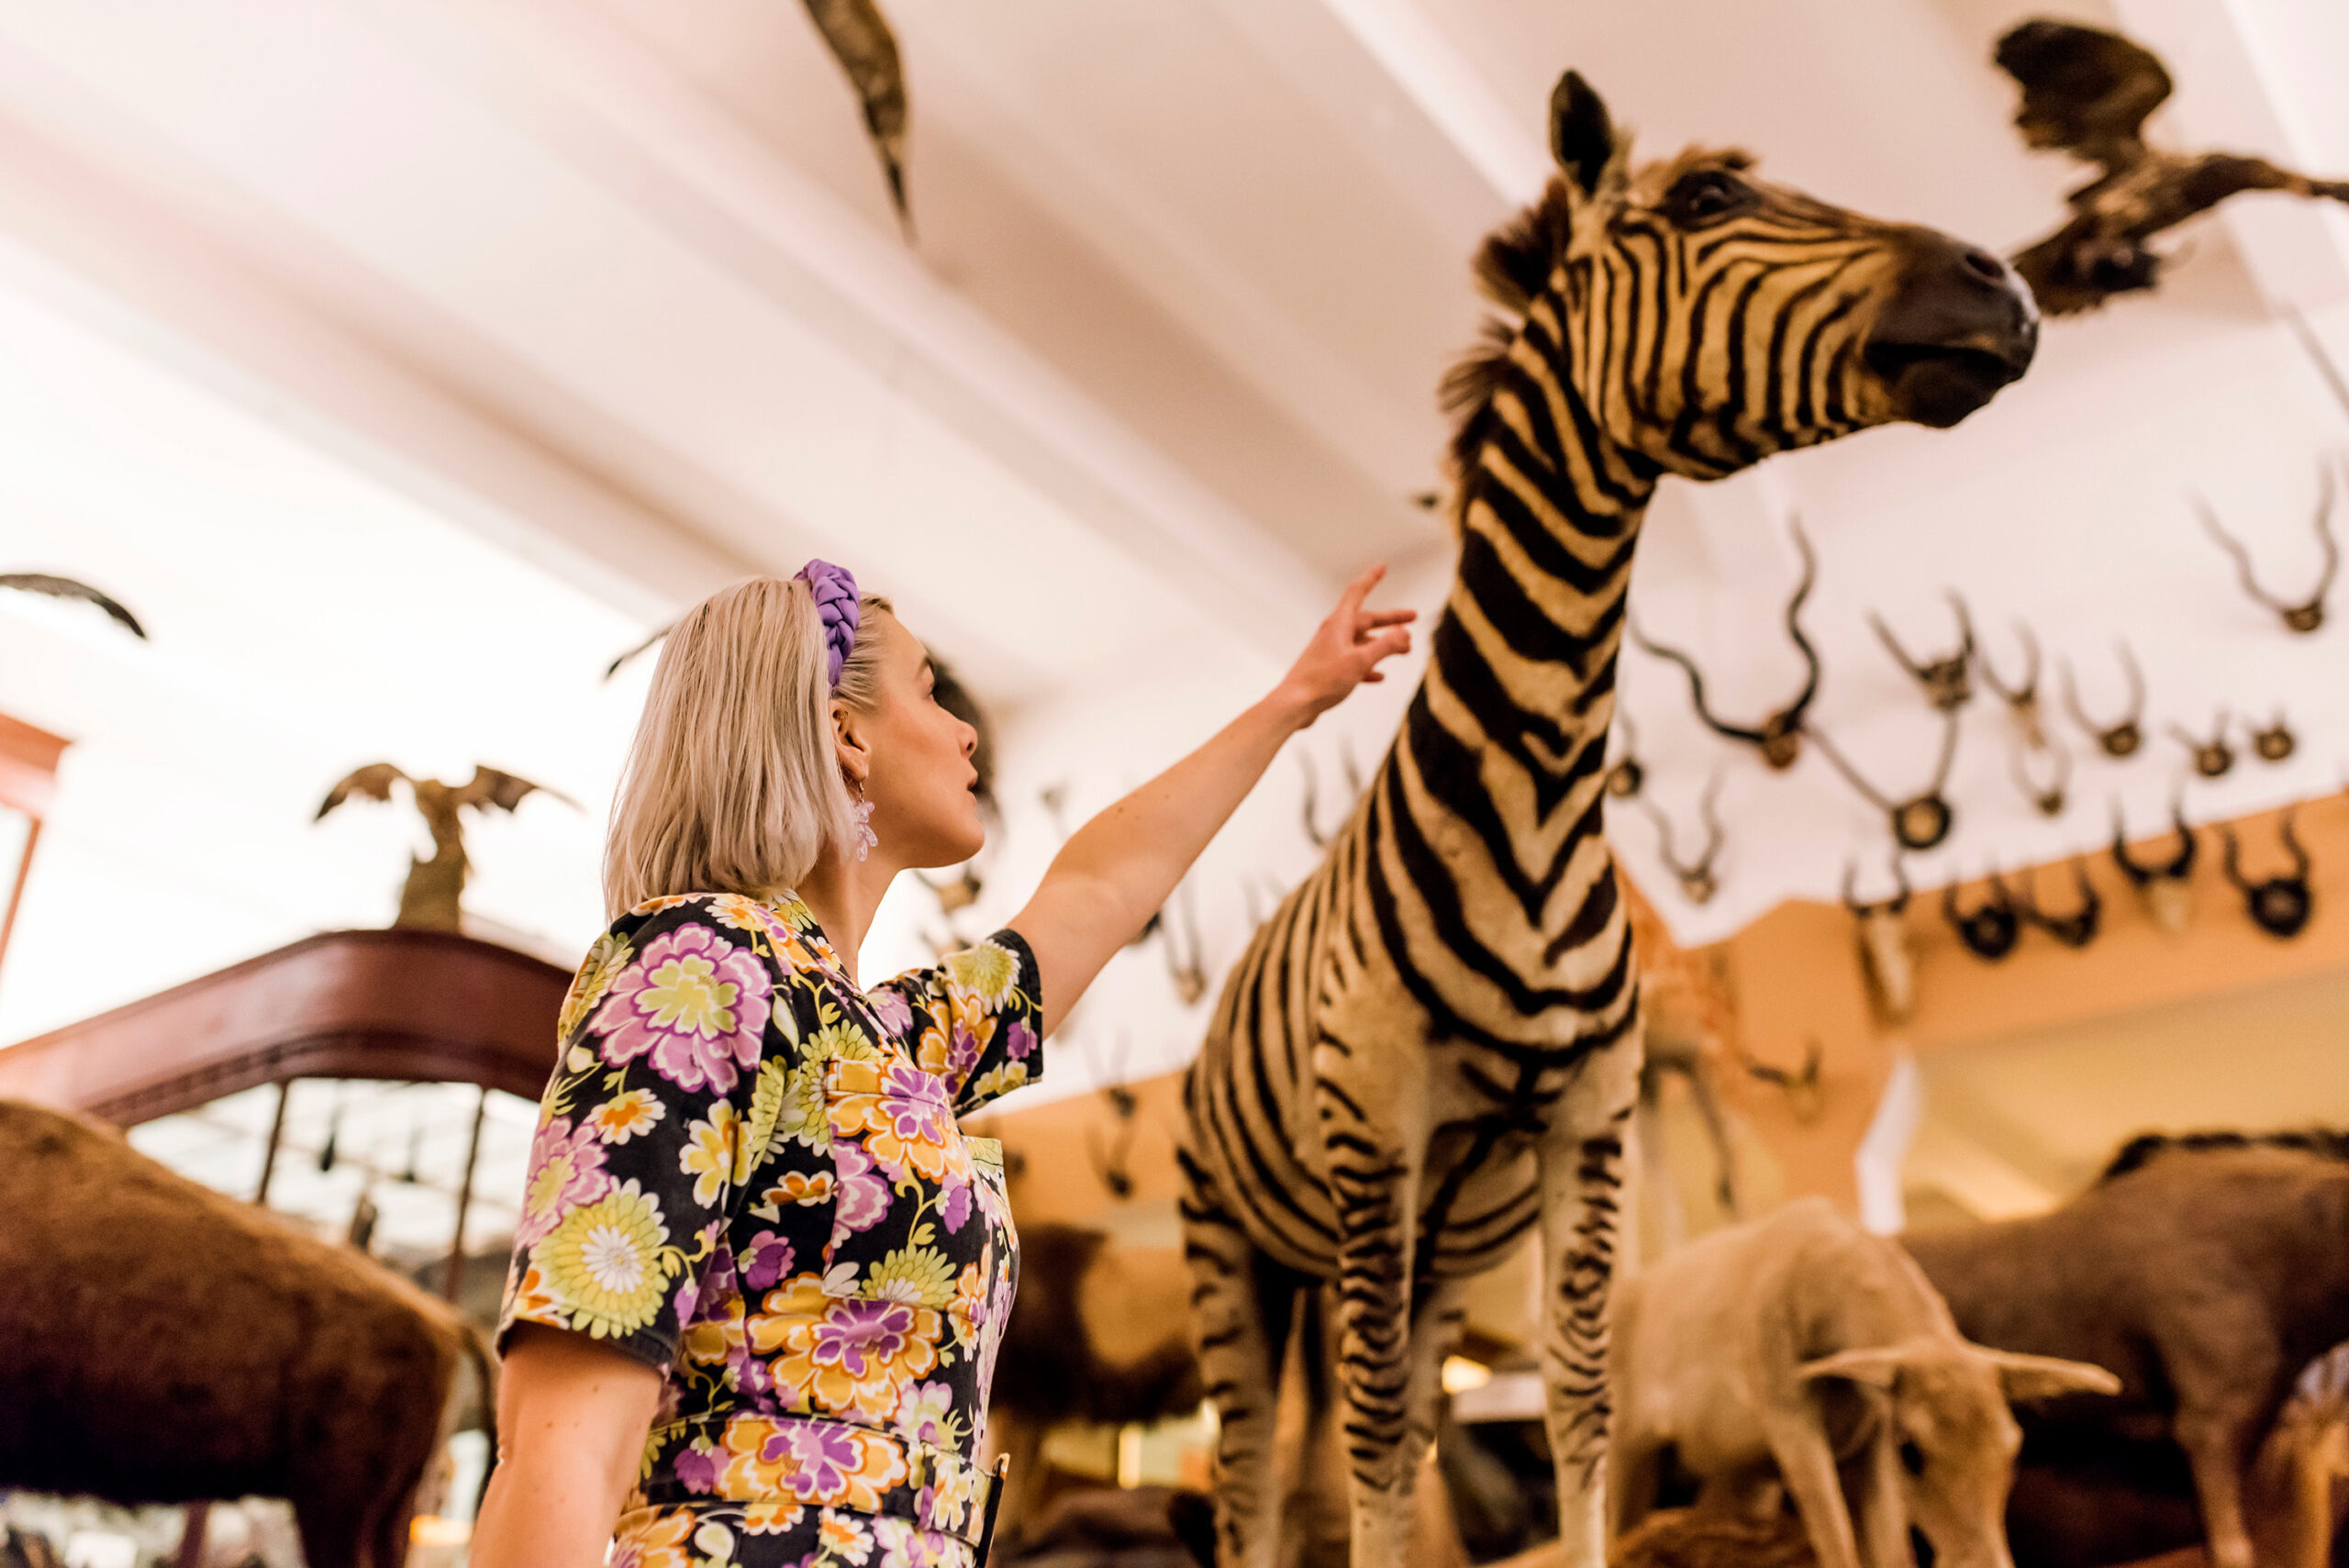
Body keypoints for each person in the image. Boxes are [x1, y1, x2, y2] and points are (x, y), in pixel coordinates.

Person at [469, 559, 1414, 1568]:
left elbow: (1100, 884)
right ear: (845, 731)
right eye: (927, 691)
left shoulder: (887, 1042)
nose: (965, 732)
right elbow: (561, 1435)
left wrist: (1293, 700)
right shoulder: (698, 961)